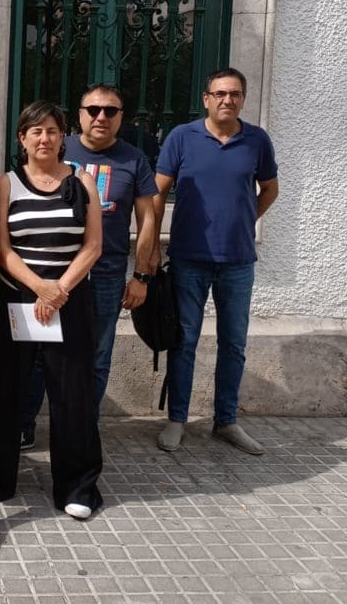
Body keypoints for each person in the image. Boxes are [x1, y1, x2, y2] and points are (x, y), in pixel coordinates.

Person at [0, 101, 104, 521]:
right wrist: (39, 287)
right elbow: (2, 248)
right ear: (22, 138)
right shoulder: (7, 184)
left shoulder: (83, 181)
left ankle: (78, 486)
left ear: (63, 136)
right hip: (18, 298)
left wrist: (58, 290)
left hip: (69, 301)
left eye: (52, 130)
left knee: (72, 395)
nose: (44, 138)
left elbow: (93, 245)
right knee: (5, 392)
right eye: (35, 131)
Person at [153, 67, 279, 455]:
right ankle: (177, 420)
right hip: (188, 258)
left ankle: (226, 421)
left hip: (238, 261)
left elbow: (270, 190)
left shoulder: (257, 140)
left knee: (234, 344)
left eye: (235, 94)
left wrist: (244, 219)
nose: (227, 100)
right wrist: (152, 245)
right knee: (184, 341)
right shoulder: (182, 137)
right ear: (206, 99)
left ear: (243, 99)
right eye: (220, 93)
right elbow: (157, 193)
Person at [65, 84, 159, 410]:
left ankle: (84, 426)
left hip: (107, 274)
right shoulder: (58, 149)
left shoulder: (134, 159)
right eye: (93, 110)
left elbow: (148, 221)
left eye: (110, 111)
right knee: (42, 351)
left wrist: (141, 277)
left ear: (121, 117)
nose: (101, 117)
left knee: (97, 354)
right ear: (80, 115)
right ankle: (28, 425)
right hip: (57, 271)